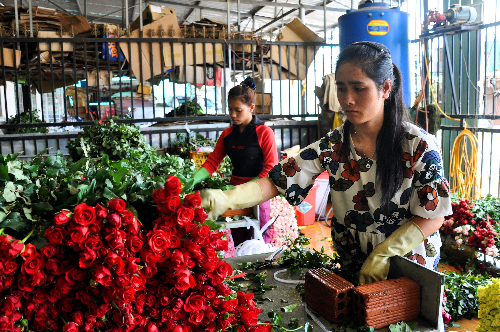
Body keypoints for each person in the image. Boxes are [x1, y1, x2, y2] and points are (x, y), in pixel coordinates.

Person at [200, 41, 453, 286]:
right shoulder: (336, 144)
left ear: (386, 88)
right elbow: (279, 180)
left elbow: (434, 216)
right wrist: (227, 198)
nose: (348, 99)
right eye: (341, 88)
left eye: (359, 88)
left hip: (408, 263)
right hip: (353, 262)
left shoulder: (417, 145)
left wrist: (384, 253)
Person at [184, 76, 279, 246]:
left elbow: (271, 168)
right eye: (230, 110)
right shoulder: (227, 134)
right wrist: (194, 178)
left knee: (260, 241)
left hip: (259, 193)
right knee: (239, 240)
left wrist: (245, 188)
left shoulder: (265, 132)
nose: (233, 115)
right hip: (233, 195)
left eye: (238, 110)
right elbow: (212, 162)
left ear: (251, 108)